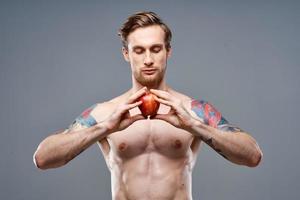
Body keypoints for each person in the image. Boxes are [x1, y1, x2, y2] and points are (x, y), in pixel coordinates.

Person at [33, 11, 263, 200]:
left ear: (168, 51)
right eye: (139, 50)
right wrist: (106, 128)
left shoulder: (192, 109)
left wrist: (194, 126)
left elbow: (252, 156)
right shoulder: (105, 112)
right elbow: (42, 159)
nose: (148, 60)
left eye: (155, 49)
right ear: (126, 54)